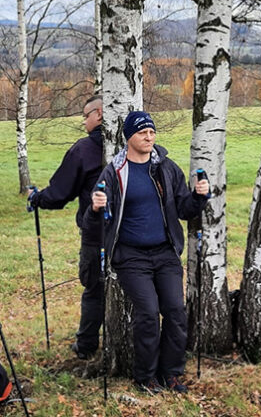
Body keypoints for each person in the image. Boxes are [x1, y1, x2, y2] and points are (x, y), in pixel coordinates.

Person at [90, 111, 210, 394]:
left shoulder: (166, 168)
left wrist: (198, 196)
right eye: (142, 132)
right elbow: (92, 220)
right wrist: (96, 208)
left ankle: (171, 373)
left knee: (175, 311)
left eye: (152, 132)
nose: (148, 136)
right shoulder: (114, 172)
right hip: (131, 256)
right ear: (128, 137)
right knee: (147, 313)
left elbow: (184, 209)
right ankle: (146, 377)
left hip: (165, 252)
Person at [27, 95, 105, 359]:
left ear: (100, 114)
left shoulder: (83, 149)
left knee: (95, 286)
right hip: (132, 230)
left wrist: (37, 198)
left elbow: (60, 193)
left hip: (96, 232)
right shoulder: (135, 143)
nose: (84, 121)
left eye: (86, 115)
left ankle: (86, 345)